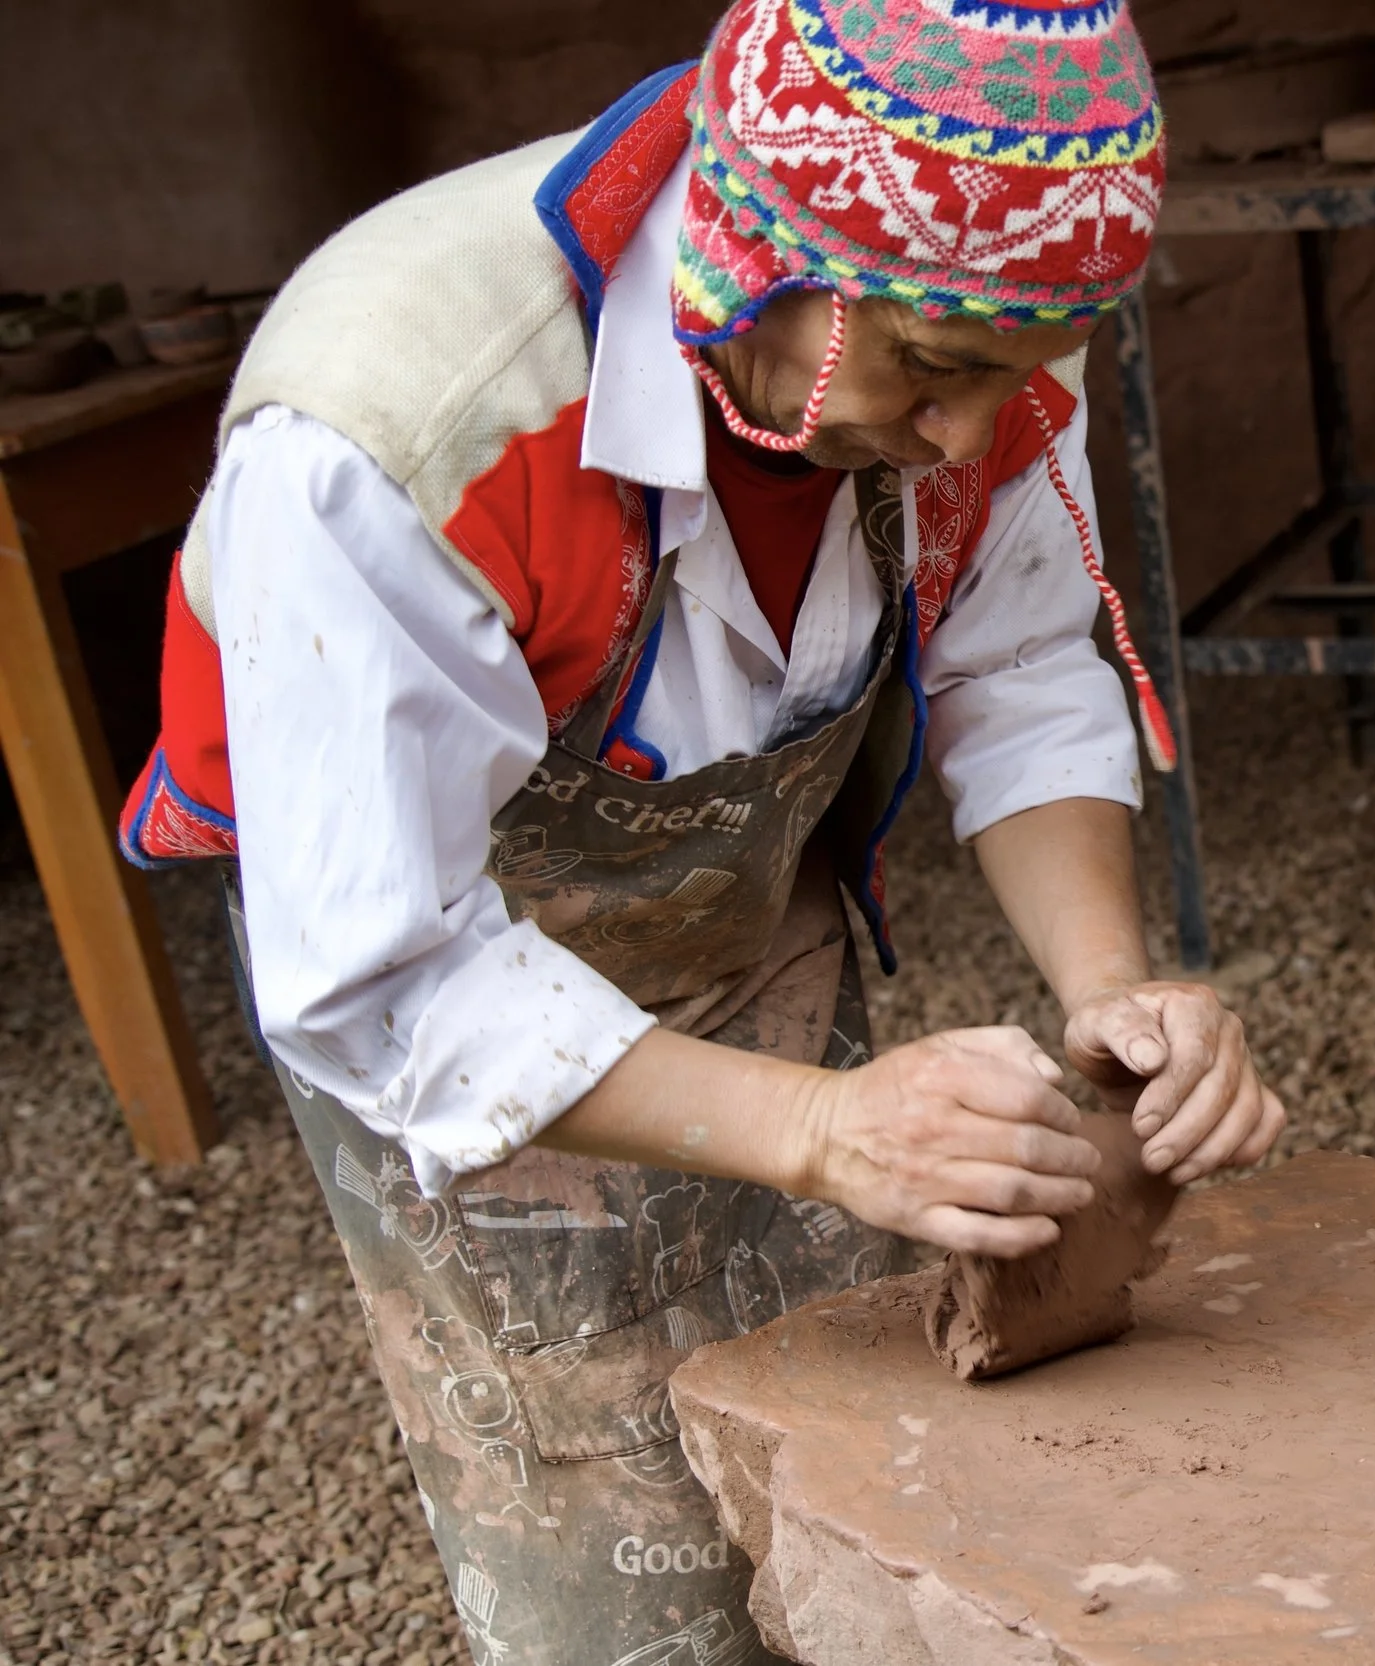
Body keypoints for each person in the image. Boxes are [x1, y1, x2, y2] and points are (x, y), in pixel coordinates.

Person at [118, 2, 1281, 1659]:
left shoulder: (990, 310)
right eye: (935, 375)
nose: (966, 432)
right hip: (468, 997)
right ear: (755, 253)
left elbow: (1019, 664)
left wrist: (1110, 982)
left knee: (873, 1488)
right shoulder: (393, 425)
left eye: (1006, 379)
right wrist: (826, 1130)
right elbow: (382, 977)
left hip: (746, 917)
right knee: (624, 1576)